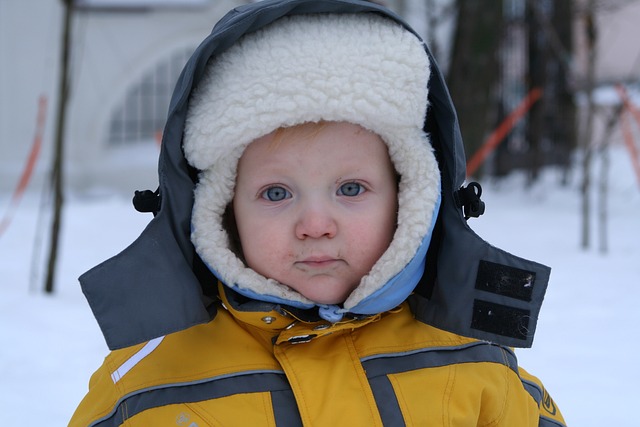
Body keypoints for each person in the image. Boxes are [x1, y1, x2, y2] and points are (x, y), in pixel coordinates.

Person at [70, 1, 567, 425]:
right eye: (275, 193)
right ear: (219, 211)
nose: (315, 225)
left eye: (351, 188)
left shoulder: (475, 361)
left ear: (410, 197)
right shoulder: (149, 389)